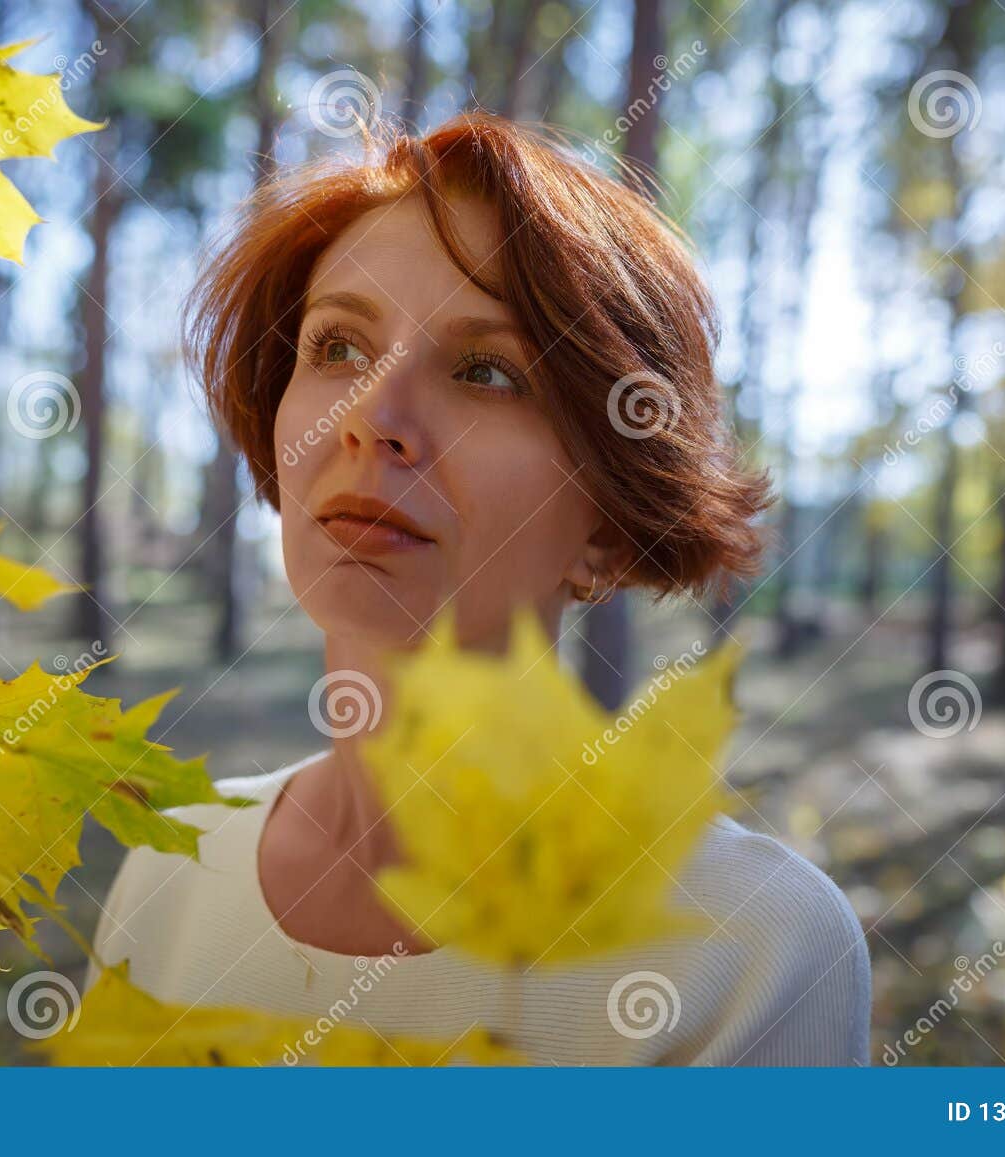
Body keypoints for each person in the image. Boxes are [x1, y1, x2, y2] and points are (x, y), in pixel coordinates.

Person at [92, 113, 870, 1065]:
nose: (373, 417)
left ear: (608, 524)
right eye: (336, 346)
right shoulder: (169, 865)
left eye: (488, 370)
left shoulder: (753, 949)